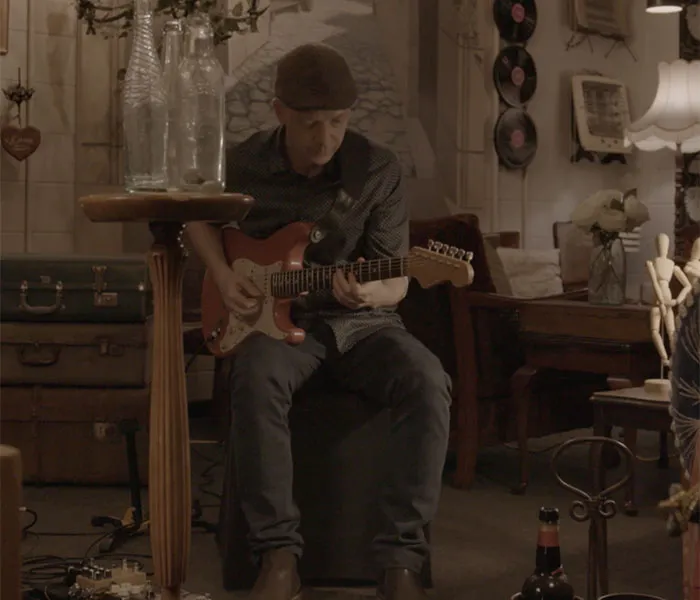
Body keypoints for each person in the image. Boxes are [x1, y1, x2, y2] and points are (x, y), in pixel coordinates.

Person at [187, 43, 451, 600]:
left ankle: (402, 560)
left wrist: (363, 292)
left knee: (428, 381)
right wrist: (223, 274)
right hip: (273, 327)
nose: (325, 139)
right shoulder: (241, 163)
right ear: (280, 112)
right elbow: (197, 218)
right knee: (254, 378)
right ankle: (278, 557)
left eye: (337, 122)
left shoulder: (376, 169)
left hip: (362, 325)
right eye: (310, 124)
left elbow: (397, 282)